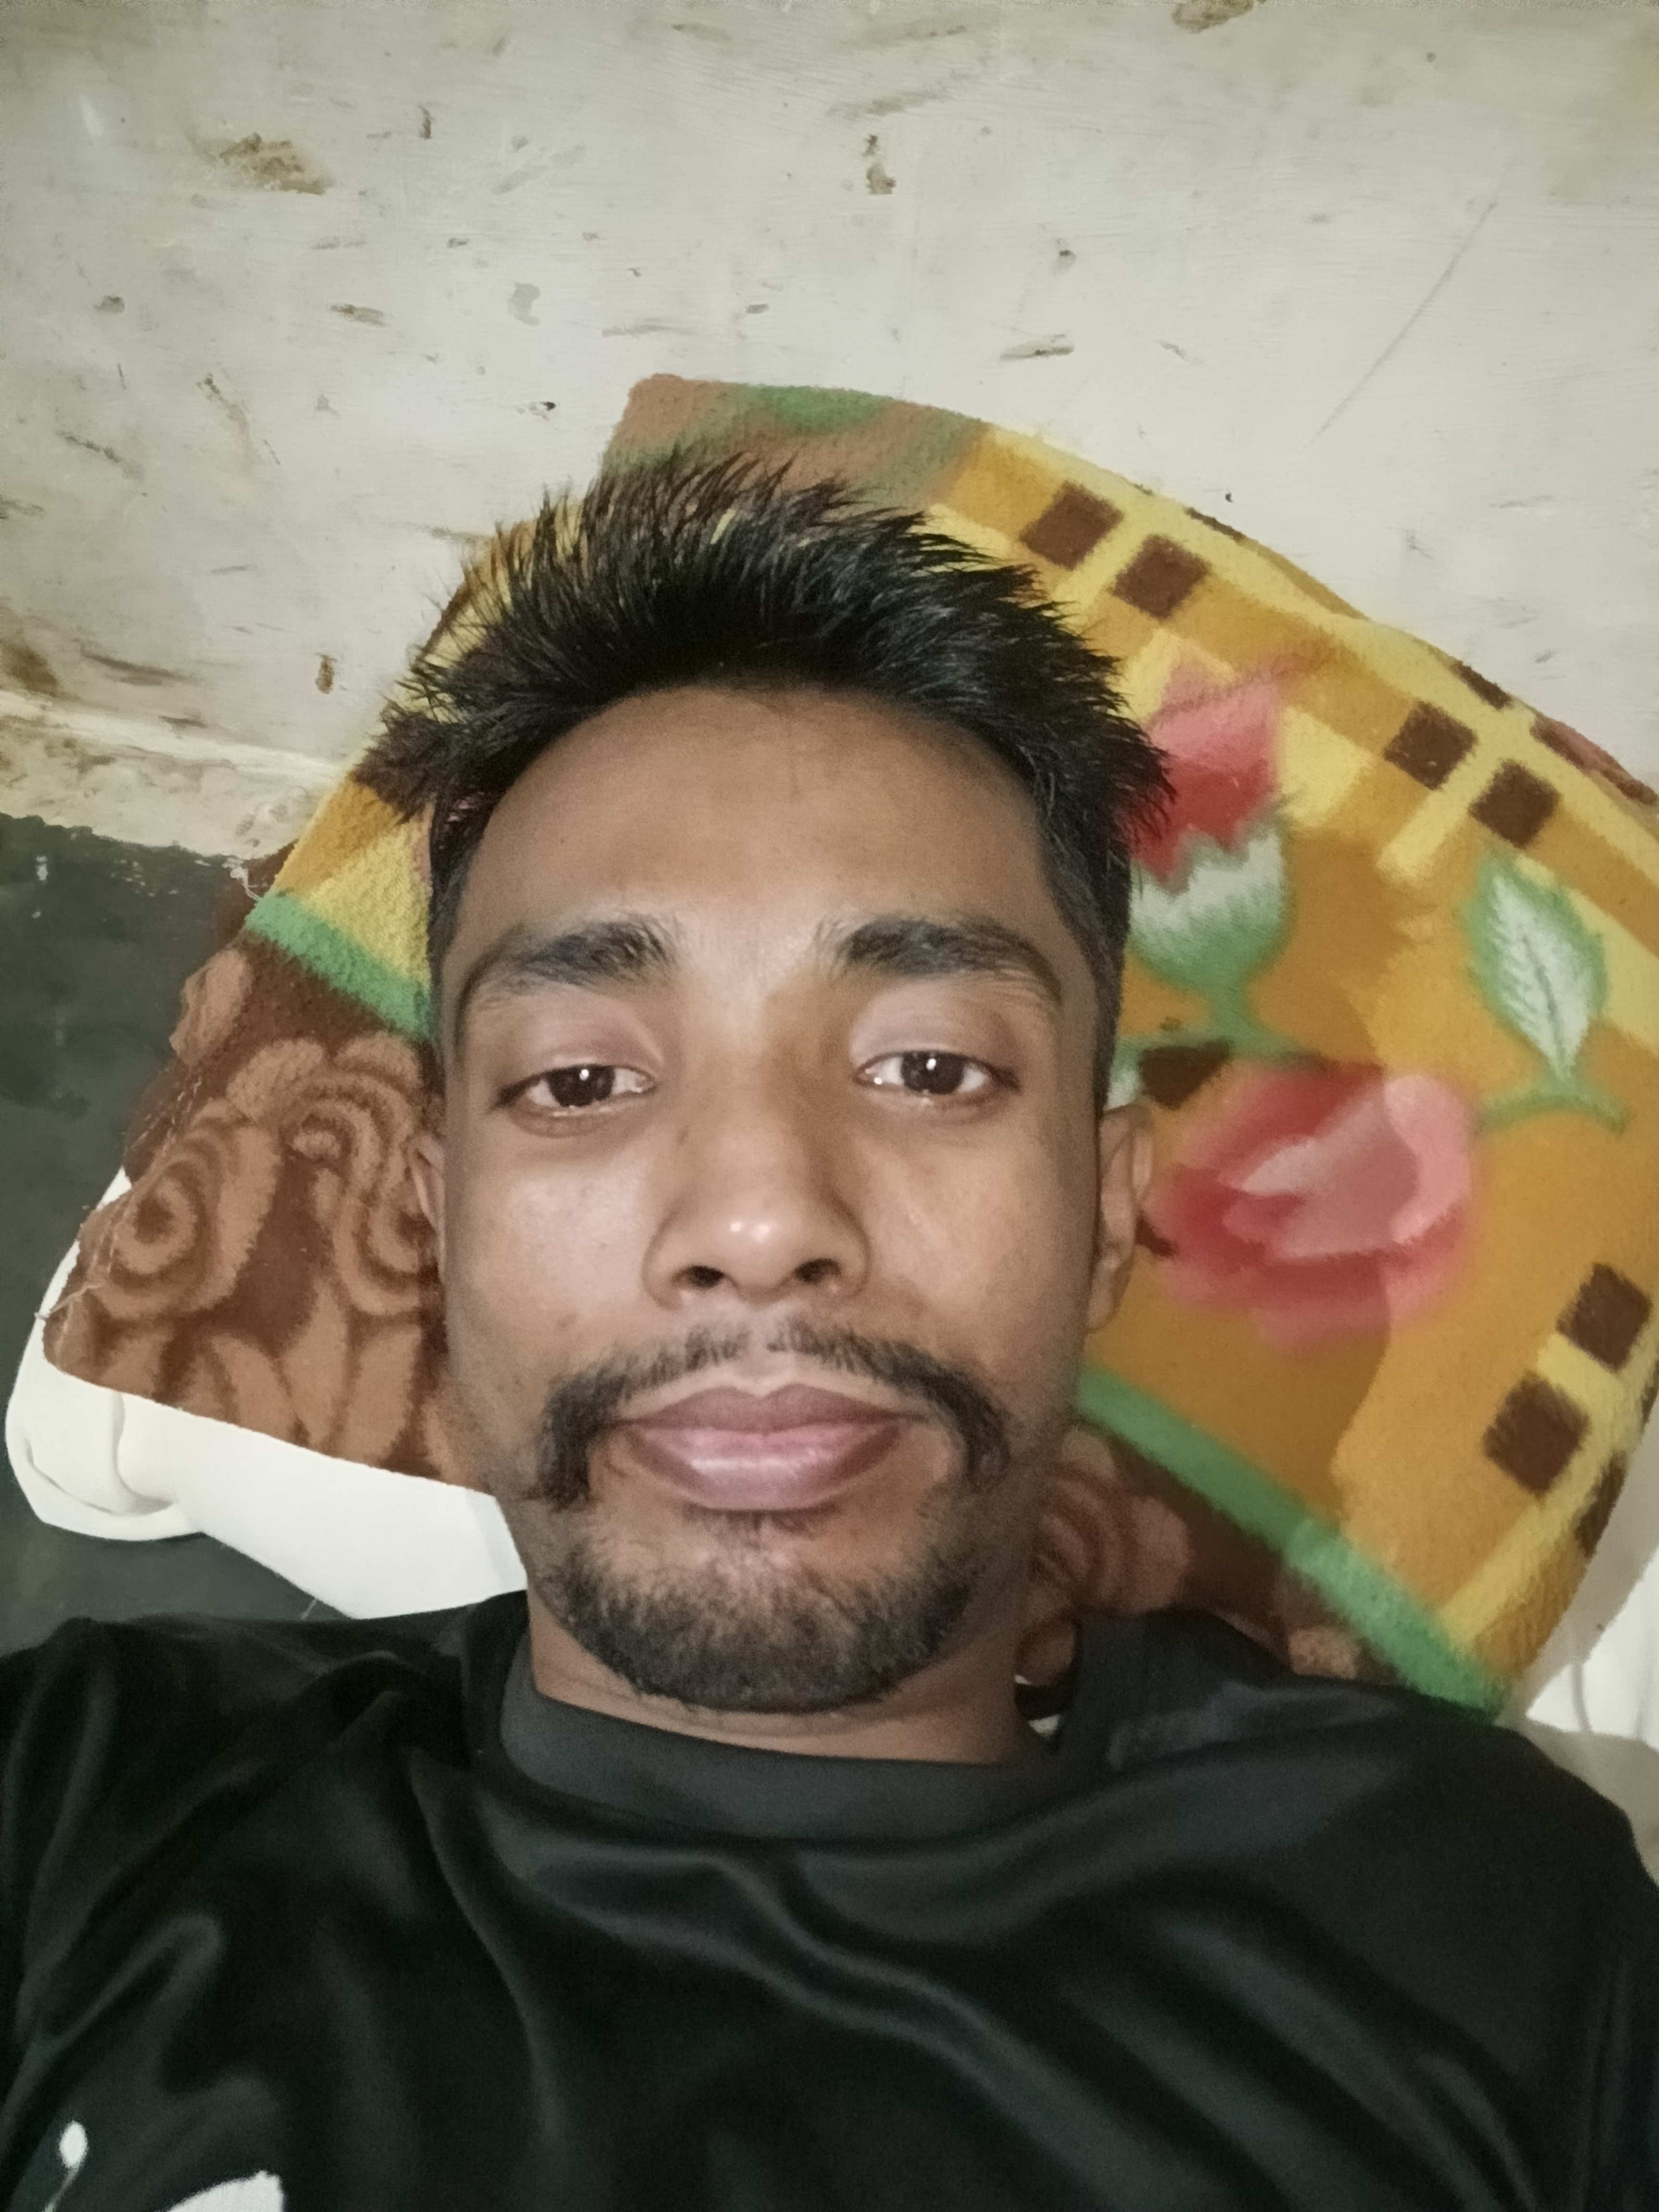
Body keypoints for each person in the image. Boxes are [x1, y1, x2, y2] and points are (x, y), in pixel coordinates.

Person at [1, 458, 1654, 2212]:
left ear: (1108, 1212)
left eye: (929, 1067)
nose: (761, 1220)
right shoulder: (85, 1791)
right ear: (439, 1211)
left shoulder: (1486, 1924)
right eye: (581, 1081)